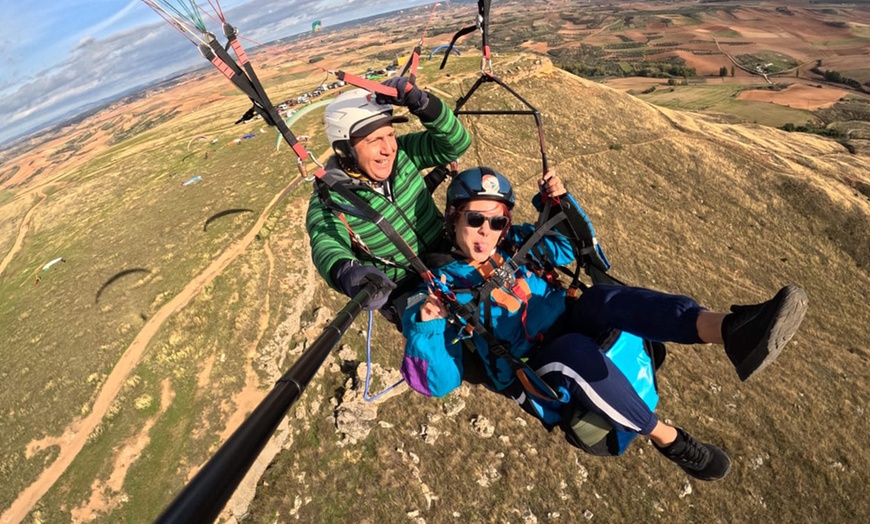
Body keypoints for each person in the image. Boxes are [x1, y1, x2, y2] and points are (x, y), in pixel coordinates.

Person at [400, 166, 809, 481]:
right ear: (454, 218)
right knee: (573, 353)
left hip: (572, 318)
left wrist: (560, 202)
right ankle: (674, 442)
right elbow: (435, 383)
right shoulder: (439, 287)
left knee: (606, 296)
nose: (486, 232)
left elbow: (576, 247)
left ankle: (733, 330)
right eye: (475, 220)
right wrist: (425, 326)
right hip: (535, 369)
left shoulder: (516, 241)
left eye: (498, 221)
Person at [306, 77, 471, 326]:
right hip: (408, 289)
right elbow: (326, 243)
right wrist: (347, 272)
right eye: (374, 140)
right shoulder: (330, 199)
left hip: (449, 255)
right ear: (344, 150)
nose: (388, 148)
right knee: (439, 339)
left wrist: (424, 104)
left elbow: (456, 143)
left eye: (391, 135)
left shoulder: (405, 154)